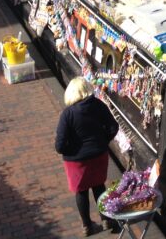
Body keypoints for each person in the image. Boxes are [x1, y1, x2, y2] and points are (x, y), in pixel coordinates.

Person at [55, 77, 119, 236]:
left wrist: (73, 150)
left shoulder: (67, 114)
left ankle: (87, 226)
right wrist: (103, 141)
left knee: (81, 191)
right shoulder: (99, 105)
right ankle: (107, 220)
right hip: (99, 155)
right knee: (99, 186)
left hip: (77, 161)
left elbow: (60, 146)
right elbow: (114, 127)